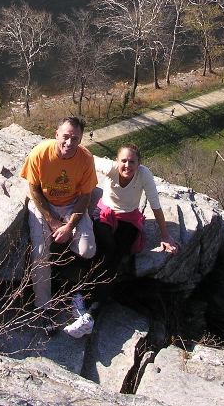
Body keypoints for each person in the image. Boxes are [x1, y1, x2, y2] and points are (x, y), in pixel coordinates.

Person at [63, 143, 179, 338]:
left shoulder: (144, 175)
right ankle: (84, 302)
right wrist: (69, 145)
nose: (127, 165)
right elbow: (87, 156)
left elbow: (155, 205)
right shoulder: (110, 168)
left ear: (139, 163)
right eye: (123, 161)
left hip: (128, 218)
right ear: (116, 161)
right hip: (105, 213)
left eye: (132, 162)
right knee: (106, 249)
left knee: (116, 256)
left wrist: (165, 235)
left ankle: (89, 313)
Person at [20, 116, 98, 322]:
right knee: (40, 253)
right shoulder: (40, 153)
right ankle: (43, 306)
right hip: (44, 203)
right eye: (66, 137)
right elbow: (34, 189)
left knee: (87, 250)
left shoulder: (85, 159)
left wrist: (70, 225)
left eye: (75, 138)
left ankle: (71, 288)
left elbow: (85, 196)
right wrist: (53, 222)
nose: (69, 143)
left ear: (81, 140)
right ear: (56, 135)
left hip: (72, 204)